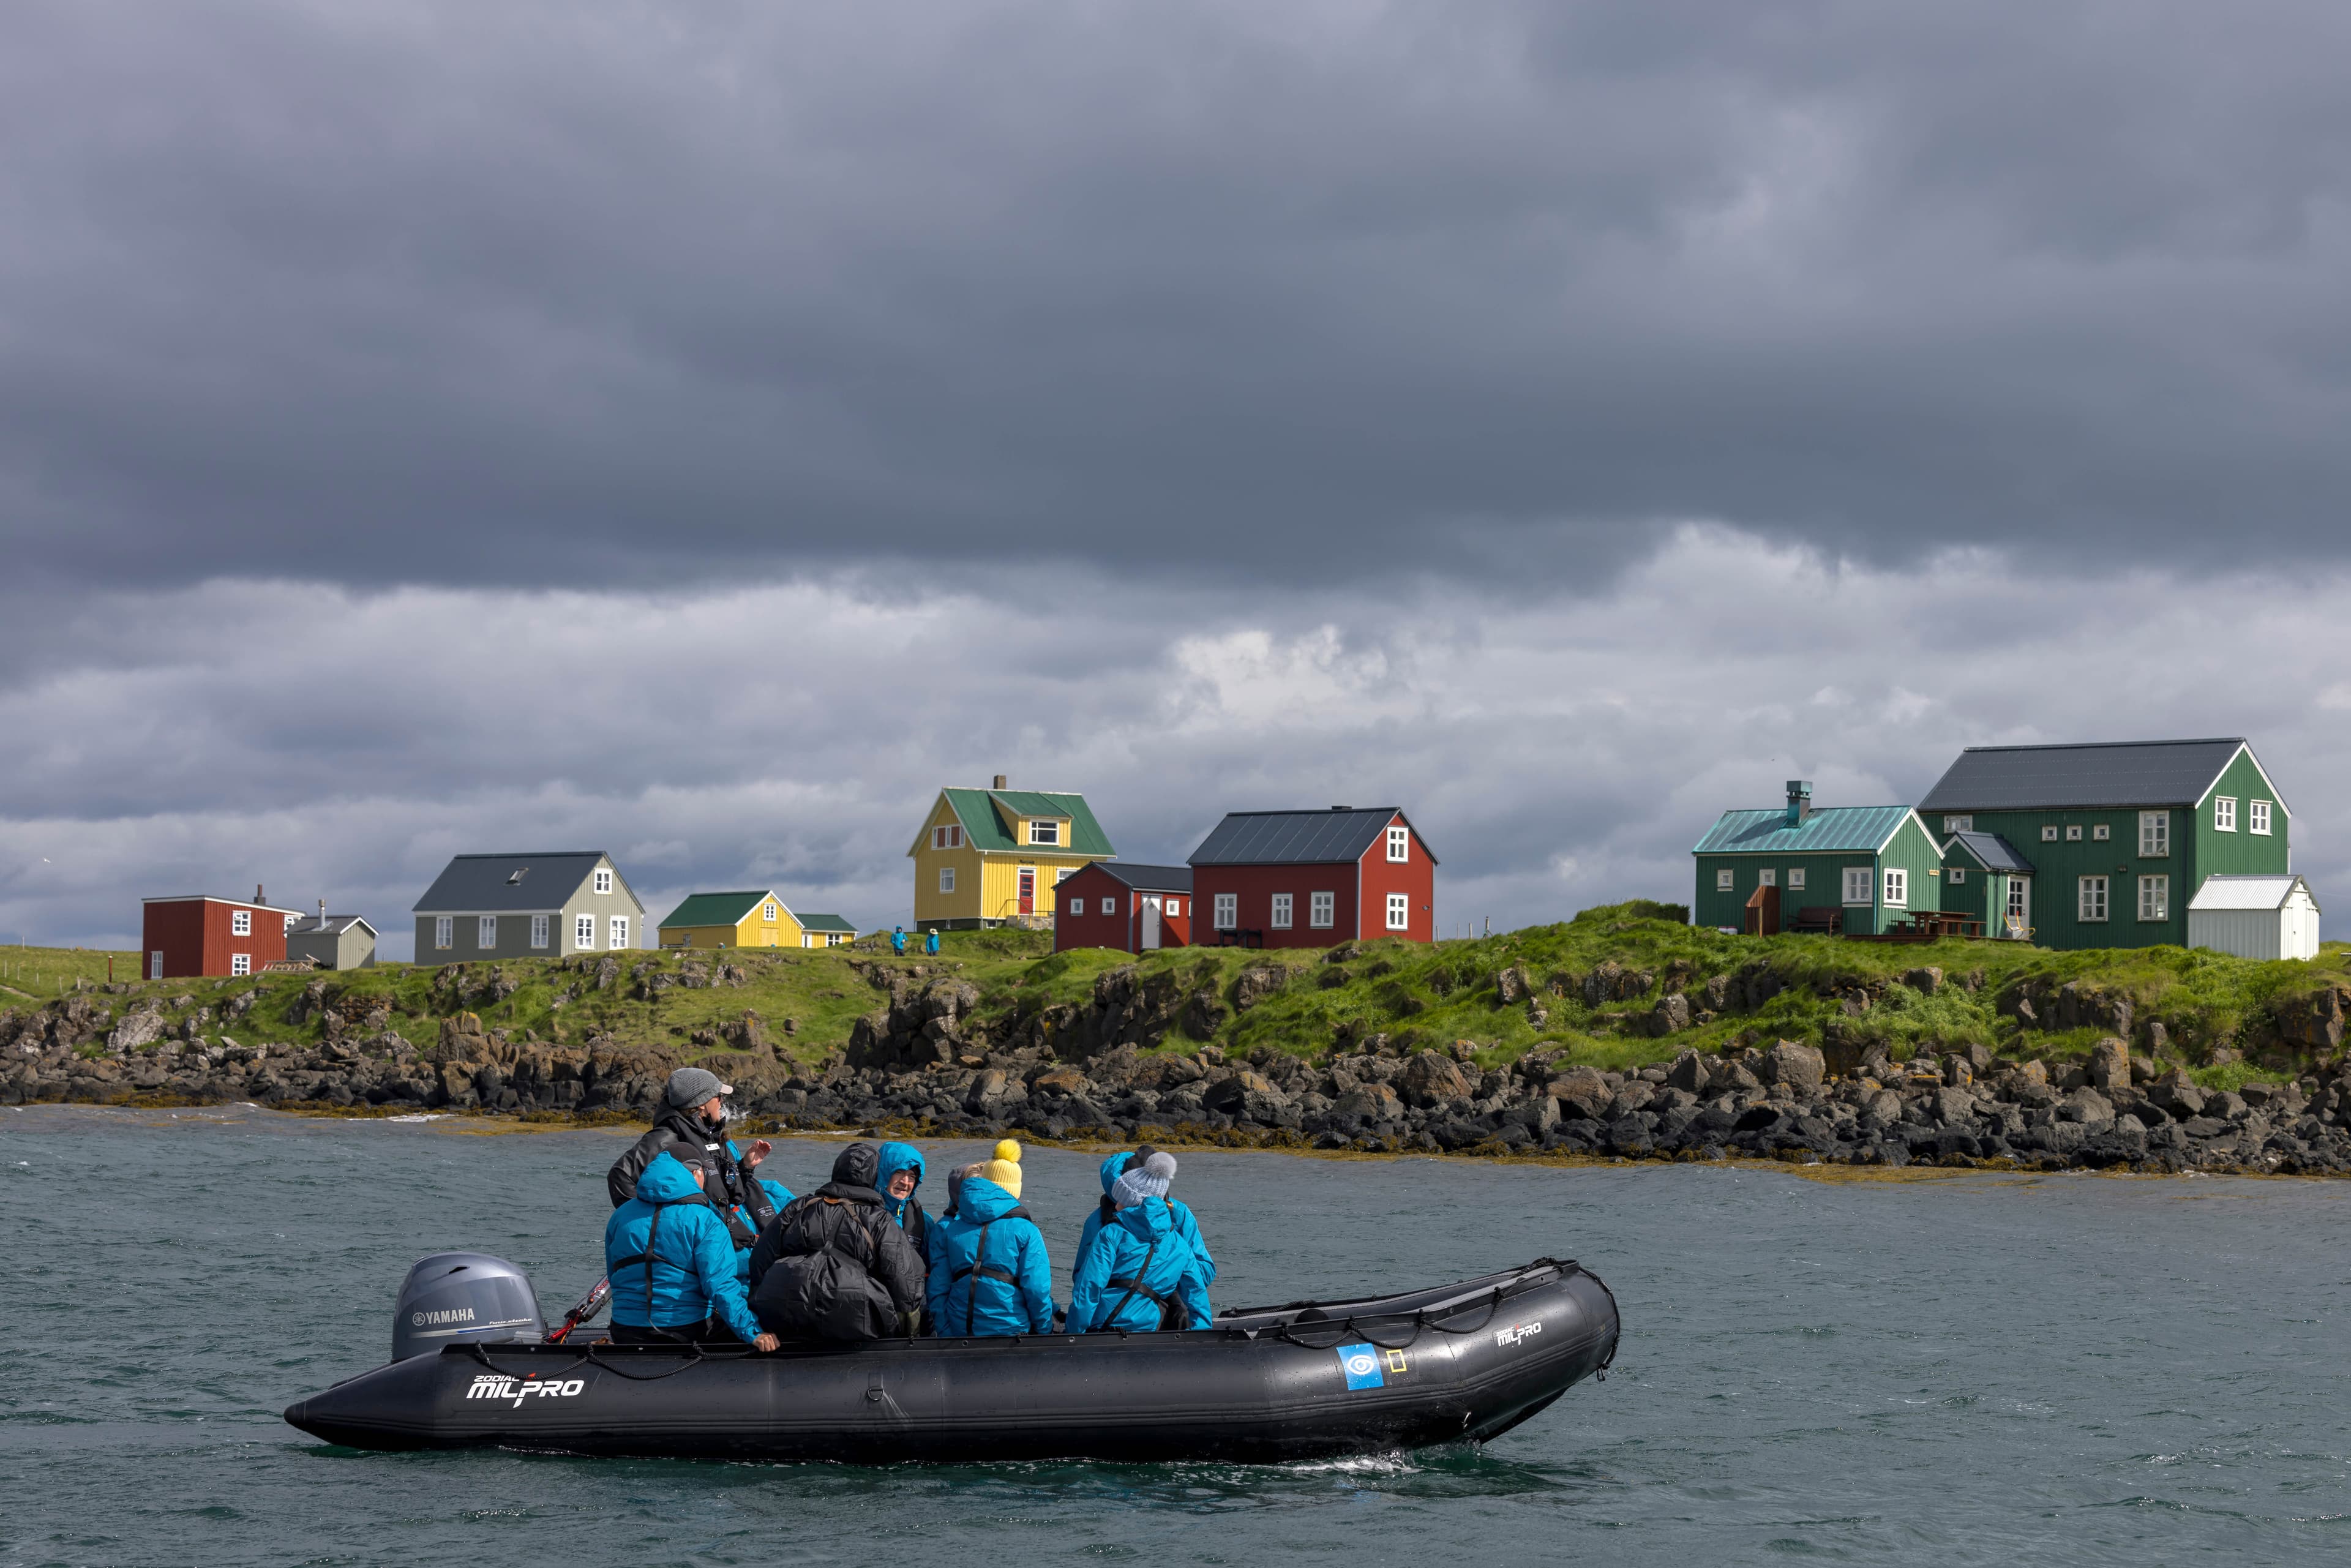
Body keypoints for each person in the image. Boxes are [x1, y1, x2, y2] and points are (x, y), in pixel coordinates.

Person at [607, 1069, 784, 1274]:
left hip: (718, 1235)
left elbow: (722, 1190)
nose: (722, 1102)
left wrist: (745, 1167)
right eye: (718, 1096)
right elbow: (619, 1176)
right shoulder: (666, 1138)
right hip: (697, 1240)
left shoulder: (710, 1135)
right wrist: (652, 1224)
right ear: (702, 1104)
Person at [748, 1142, 927, 1340]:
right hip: (853, 1318)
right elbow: (903, 1279)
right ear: (875, 1176)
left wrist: (758, 1303)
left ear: (837, 1169)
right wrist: (910, 1334)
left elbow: (760, 1259)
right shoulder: (880, 1219)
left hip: (784, 1307)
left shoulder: (799, 1206)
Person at [603, 1150, 779, 1349]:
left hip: (624, 1330)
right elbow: (720, 1285)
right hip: (685, 1330)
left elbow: (613, 1274)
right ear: (696, 1173)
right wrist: (752, 1331)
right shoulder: (705, 1219)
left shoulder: (620, 1216)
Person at [1067, 1152, 1211, 1334]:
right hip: (1149, 1330)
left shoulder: (1110, 1233)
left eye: (1121, 1198)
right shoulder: (1180, 1245)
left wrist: (1073, 1333)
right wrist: (1201, 1333)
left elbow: (1088, 1288)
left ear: (1132, 1202)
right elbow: (1197, 1293)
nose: (1116, 1205)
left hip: (1104, 1327)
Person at [927, 1140, 1054, 1337]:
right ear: (1015, 1190)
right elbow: (1037, 1291)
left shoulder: (952, 1229)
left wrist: (946, 1333)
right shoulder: (1027, 1231)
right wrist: (1044, 1331)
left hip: (959, 1334)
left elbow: (937, 1289)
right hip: (1012, 1335)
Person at [1077, 1146, 1217, 1296]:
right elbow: (1083, 1277)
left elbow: (1205, 1272)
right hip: (1126, 1302)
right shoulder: (1098, 1219)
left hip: (1148, 1300)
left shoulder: (1178, 1213)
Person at [874, 1142, 932, 1266]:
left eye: (912, 1176)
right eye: (899, 1172)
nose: (905, 1182)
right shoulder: (861, 1213)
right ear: (883, 1173)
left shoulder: (925, 1222)